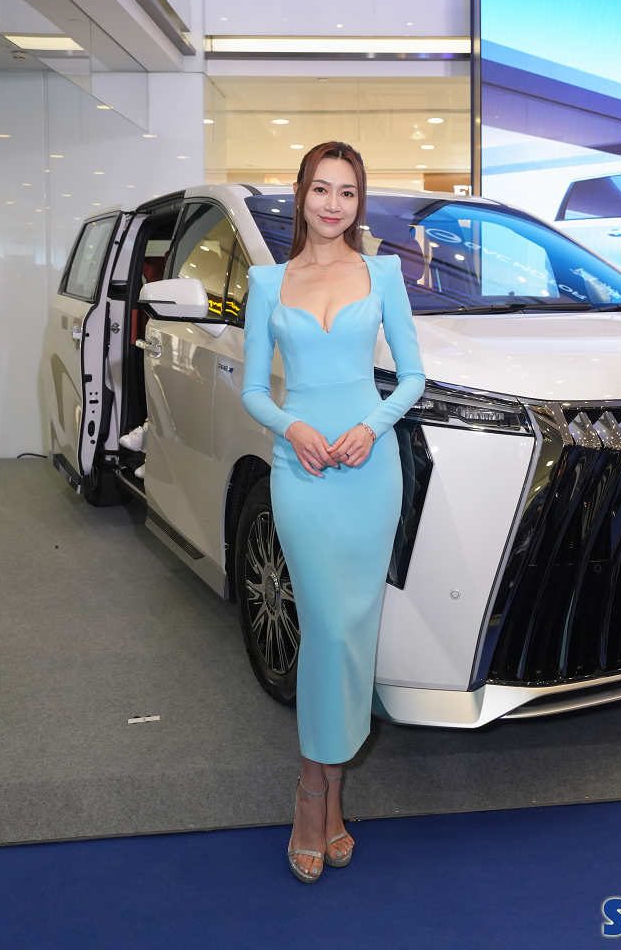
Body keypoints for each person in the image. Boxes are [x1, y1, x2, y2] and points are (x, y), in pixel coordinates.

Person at [240, 140, 426, 884]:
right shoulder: (267, 281)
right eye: (321, 189)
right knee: (322, 628)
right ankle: (311, 792)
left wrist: (369, 429)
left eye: (347, 192)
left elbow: (412, 377)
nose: (333, 204)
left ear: (358, 202)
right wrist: (294, 428)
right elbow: (255, 391)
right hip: (302, 473)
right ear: (301, 194)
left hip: (367, 472)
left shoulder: (383, 274)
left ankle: (330, 792)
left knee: (353, 632)